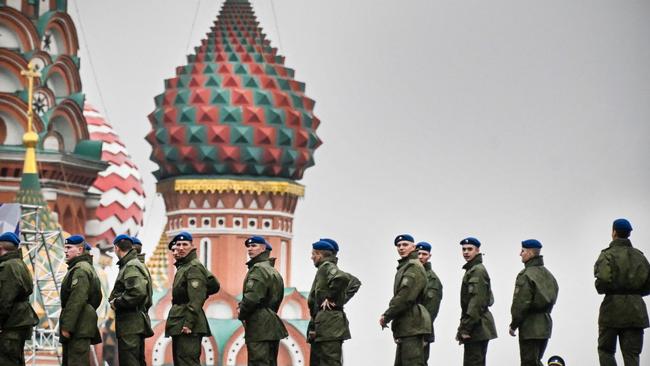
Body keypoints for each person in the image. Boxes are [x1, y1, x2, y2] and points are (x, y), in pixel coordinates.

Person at [594, 218, 650, 366]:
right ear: (629, 234)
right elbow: (648, 285)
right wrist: (634, 294)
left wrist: (601, 286)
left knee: (606, 351)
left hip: (611, 310)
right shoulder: (640, 257)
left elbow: (603, 281)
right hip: (636, 311)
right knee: (632, 355)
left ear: (613, 232)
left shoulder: (607, 255)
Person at [379, 234, 431, 366]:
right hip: (407, 324)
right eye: (398, 245)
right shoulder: (406, 266)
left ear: (413, 247)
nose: (401, 248)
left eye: (405, 245)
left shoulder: (413, 266)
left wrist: (387, 315)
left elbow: (405, 296)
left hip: (412, 324)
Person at [164, 231, 214, 366]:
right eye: (178, 244)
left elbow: (196, 299)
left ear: (192, 246)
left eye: (185, 244)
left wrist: (188, 323)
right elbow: (212, 285)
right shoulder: (184, 266)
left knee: (187, 362)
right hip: (180, 320)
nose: (180, 247)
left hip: (187, 323)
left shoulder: (193, 267)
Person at [238, 236, 288, 366]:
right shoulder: (273, 271)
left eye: (254, 246)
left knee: (258, 362)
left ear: (263, 248)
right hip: (271, 322)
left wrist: (241, 313)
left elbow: (252, 298)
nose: (250, 249)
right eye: (248, 246)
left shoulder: (258, 269)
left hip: (259, 325)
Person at [508, 239, 559, 366]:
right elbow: (553, 296)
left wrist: (514, 324)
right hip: (545, 325)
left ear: (530, 253)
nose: (520, 254)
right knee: (536, 361)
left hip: (530, 327)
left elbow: (521, 304)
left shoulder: (526, 275)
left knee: (528, 363)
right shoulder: (549, 275)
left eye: (523, 251)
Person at [108, 234, 154, 366]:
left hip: (130, 323)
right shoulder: (132, 264)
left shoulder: (131, 266)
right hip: (133, 323)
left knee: (130, 362)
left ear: (116, 248)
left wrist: (116, 303)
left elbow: (136, 293)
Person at [307, 240, 354, 366]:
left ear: (319, 255)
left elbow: (342, 278)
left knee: (329, 362)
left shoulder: (326, 266)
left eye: (313, 254)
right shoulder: (324, 268)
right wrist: (339, 298)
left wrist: (331, 298)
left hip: (329, 325)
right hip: (324, 324)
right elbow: (353, 282)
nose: (311, 257)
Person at [60, 235, 102, 366]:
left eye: (69, 248)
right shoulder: (82, 267)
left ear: (79, 250)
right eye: (65, 248)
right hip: (81, 324)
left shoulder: (80, 269)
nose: (66, 251)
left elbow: (76, 299)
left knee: (76, 362)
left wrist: (67, 326)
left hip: (78, 326)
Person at [456, 237, 497, 366]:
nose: (466, 252)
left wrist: (465, 328)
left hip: (478, 326)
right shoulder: (472, 270)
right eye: (464, 249)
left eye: (470, 249)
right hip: (476, 324)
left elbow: (476, 302)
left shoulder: (477, 271)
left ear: (477, 250)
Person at [0, 232, 38, 365]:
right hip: (18, 322)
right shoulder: (19, 264)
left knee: (6, 361)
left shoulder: (8, 266)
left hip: (11, 324)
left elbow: (4, 299)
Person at [415, 241, 443, 365]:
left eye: (424, 254)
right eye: (418, 253)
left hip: (421, 331)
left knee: (420, 361)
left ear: (429, 256)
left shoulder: (432, 279)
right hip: (409, 330)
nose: (420, 256)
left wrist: (425, 334)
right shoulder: (413, 274)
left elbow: (431, 310)